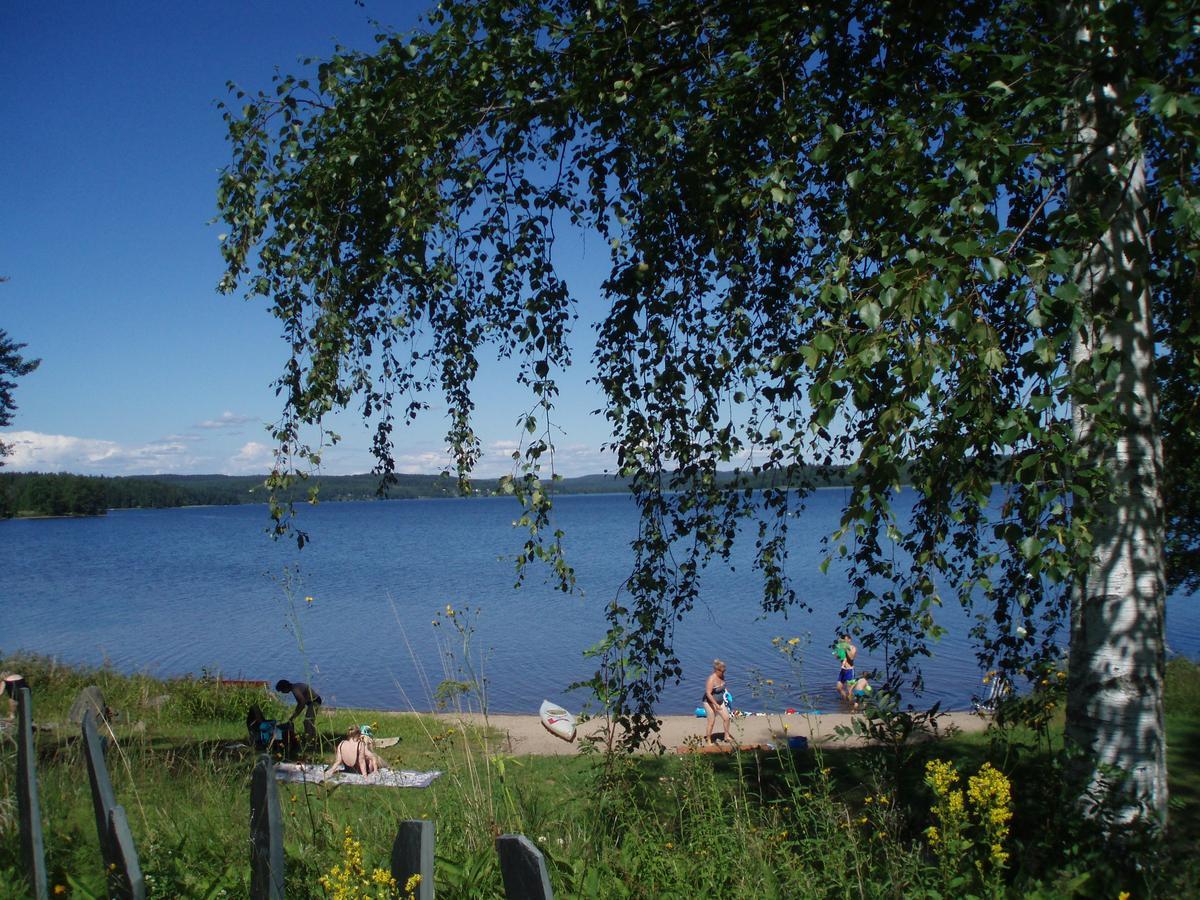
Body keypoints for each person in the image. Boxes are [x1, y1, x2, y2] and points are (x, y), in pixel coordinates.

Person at [702, 659, 732, 745]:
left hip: (720, 700)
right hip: (709, 702)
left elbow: (723, 686)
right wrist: (715, 704)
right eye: (722, 671)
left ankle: (726, 736)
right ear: (717, 670)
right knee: (711, 721)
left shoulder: (722, 676)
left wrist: (727, 693)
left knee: (726, 718)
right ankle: (708, 739)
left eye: (724, 671)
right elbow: (708, 693)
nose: (723, 673)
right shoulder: (711, 679)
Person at [834, 633, 857, 701]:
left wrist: (846, 648)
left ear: (850, 640)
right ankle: (845, 700)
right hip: (843, 670)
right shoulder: (841, 647)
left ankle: (852, 704)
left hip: (850, 670)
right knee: (838, 688)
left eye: (845, 639)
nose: (844, 641)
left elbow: (851, 658)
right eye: (843, 639)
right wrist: (838, 651)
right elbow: (837, 657)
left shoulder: (853, 648)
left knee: (849, 690)